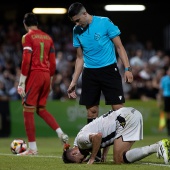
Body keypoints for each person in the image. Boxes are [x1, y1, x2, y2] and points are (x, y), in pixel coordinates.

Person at [17, 13, 68, 155]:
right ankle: (60, 133)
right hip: (46, 75)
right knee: (41, 109)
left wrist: (21, 82)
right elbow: (52, 63)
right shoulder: (48, 38)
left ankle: (32, 148)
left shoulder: (27, 37)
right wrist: (50, 81)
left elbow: (26, 60)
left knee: (27, 109)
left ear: (25, 24)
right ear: (37, 23)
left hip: (35, 74)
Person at [62, 107, 170, 165]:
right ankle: (157, 147)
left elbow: (98, 137)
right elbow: (105, 133)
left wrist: (92, 158)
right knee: (121, 157)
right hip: (129, 114)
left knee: (118, 159)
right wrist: (104, 154)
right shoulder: (81, 140)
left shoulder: (81, 141)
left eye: (80, 160)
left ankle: (157, 147)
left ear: (75, 153)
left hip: (124, 118)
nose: (83, 159)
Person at [158, 67, 170, 136]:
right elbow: (161, 90)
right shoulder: (164, 79)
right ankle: (168, 131)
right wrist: (160, 100)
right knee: (168, 115)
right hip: (167, 97)